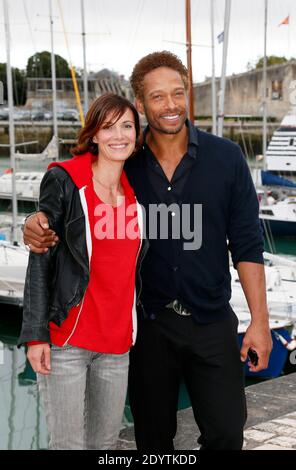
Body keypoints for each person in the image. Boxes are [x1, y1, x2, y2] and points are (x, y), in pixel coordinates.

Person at [23, 51, 272, 451]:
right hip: (148, 328)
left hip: (211, 323)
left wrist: (260, 321)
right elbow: (68, 190)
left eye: (177, 93)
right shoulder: (125, 160)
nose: (170, 105)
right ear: (140, 104)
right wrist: (33, 223)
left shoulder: (226, 159)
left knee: (226, 434)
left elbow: (247, 244)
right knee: (152, 441)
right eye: (157, 97)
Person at [18, 93, 148, 450]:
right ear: (93, 134)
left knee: (104, 445)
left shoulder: (138, 194)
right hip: (67, 341)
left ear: (137, 135)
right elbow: (40, 255)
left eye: (127, 126)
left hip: (117, 345)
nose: (118, 135)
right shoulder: (66, 180)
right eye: (108, 127)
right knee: (69, 446)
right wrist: (35, 335)